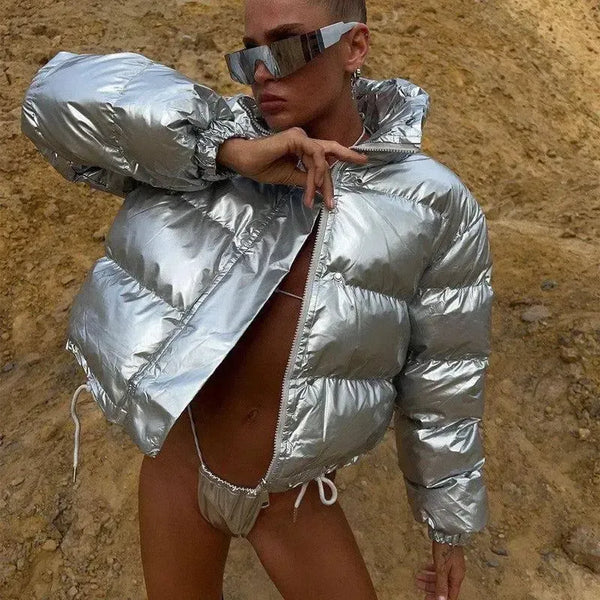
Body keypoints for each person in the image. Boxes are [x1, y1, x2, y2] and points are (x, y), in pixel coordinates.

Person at [20, 0, 494, 599]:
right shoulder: (206, 149)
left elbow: (445, 377)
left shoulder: (435, 206)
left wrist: (449, 525)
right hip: (178, 469)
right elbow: (49, 99)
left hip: (291, 500)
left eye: (289, 45)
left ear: (354, 46)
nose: (264, 71)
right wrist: (228, 152)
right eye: (249, 54)